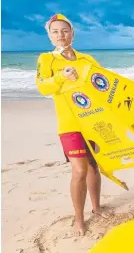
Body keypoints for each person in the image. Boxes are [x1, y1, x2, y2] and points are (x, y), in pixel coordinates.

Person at [35, 14, 107, 236]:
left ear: (72, 33)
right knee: (79, 170)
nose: (60, 35)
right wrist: (61, 78)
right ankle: (79, 219)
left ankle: (96, 208)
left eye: (64, 31)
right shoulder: (47, 59)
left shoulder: (86, 59)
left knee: (94, 166)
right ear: (49, 36)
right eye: (55, 32)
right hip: (69, 124)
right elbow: (43, 87)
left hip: (92, 120)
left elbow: (104, 83)